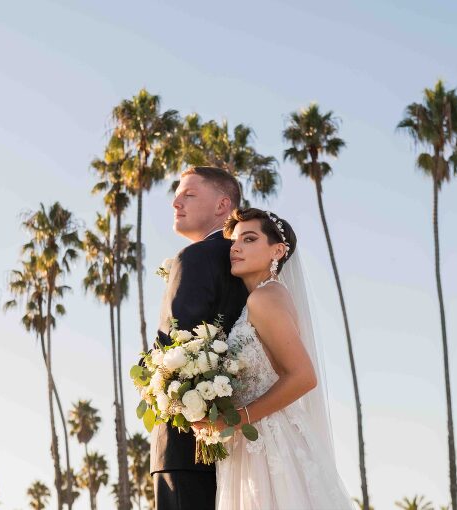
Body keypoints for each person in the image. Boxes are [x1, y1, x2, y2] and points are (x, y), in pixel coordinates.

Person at [193, 207, 355, 510]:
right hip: (253, 442)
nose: (236, 248)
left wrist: (238, 419)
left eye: (250, 239)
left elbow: (304, 376)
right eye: (235, 241)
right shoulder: (263, 299)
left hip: (269, 443)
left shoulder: (265, 298)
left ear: (278, 250)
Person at [150, 166, 248, 510]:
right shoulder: (252, 268)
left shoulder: (195, 258)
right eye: (177, 193)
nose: (176, 201)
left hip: (184, 445)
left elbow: (170, 350)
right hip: (244, 445)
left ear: (223, 205)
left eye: (189, 194)